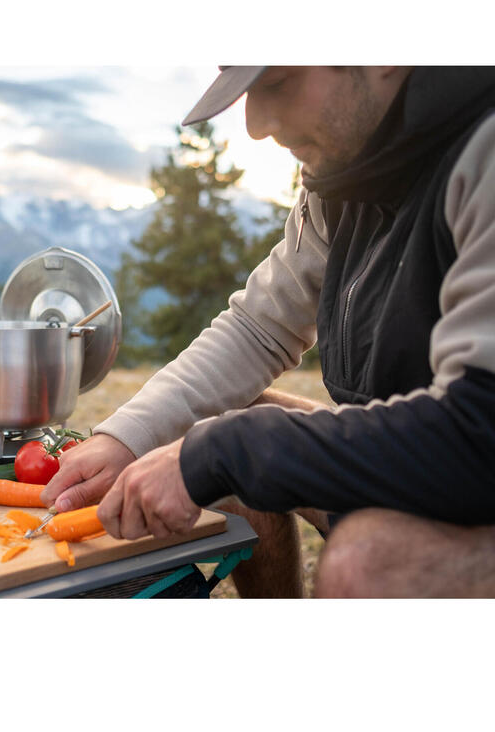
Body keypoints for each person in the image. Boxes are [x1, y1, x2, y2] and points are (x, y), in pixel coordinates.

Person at [42, 66, 495, 598]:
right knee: (223, 426)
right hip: (418, 464)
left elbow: (478, 433)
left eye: (277, 82)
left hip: (471, 467)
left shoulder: (480, 152)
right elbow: (259, 328)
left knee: (368, 563)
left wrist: (223, 450)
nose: (255, 125)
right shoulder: (348, 176)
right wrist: (125, 439)